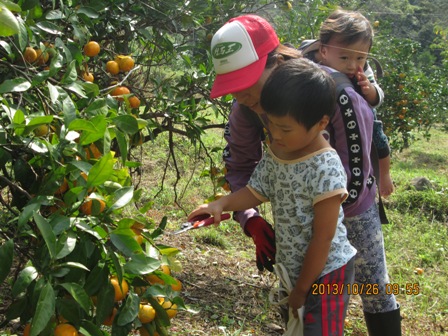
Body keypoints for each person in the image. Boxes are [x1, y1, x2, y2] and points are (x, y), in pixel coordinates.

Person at [209, 13, 401, 335]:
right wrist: (250, 217)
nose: (239, 95)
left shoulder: (331, 92)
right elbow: (243, 170)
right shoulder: (245, 109)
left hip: (349, 203)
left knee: (373, 289)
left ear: (275, 62)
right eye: (232, 87)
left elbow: (354, 173)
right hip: (296, 215)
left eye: (246, 82)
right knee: (305, 297)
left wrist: (320, 219)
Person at [191, 58, 357, 335]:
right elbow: (255, 191)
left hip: (327, 272)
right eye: (271, 124)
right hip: (292, 269)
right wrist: (220, 204)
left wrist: (303, 289)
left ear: (321, 123)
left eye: (286, 129)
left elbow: (323, 237)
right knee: (295, 327)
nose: (275, 135)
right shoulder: (279, 151)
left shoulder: (325, 167)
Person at [300, 10, 394, 198]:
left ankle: (384, 175)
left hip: (360, 110)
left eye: (360, 58)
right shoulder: (309, 57)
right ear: (324, 50)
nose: (352, 65)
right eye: (344, 58)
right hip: (325, 107)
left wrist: (369, 91)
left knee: (378, 137)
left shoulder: (363, 68)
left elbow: (379, 97)